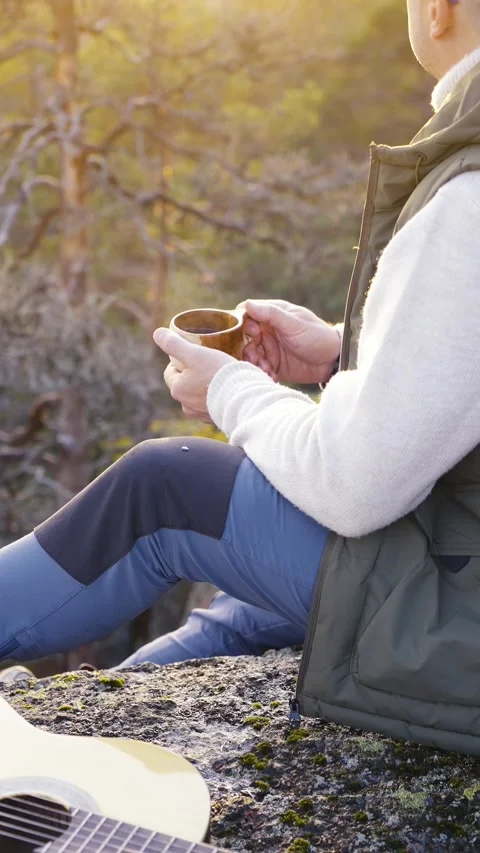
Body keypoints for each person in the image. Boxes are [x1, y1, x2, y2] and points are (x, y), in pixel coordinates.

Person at [2, 0, 480, 753]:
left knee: (166, 484)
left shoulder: (468, 194)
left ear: (442, 8)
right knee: (245, 611)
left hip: (459, 617)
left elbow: (356, 483)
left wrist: (230, 390)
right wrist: (335, 352)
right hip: (457, 573)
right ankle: (77, 745)